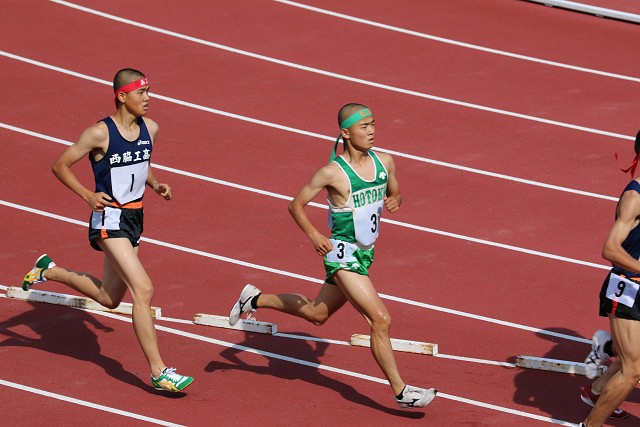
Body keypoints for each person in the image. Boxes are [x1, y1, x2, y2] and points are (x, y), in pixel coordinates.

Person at [228, 103, 437, 409]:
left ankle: (253, 299)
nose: (371, 131)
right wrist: (315, 235)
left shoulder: (385, 162)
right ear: (345, 133)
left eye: (373, 124)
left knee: (316, 314)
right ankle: (402, 391)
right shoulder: (332, 173)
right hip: (342, 254)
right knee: (380, 320)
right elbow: (295, 205)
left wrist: (395, 200)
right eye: (363, 126)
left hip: (366, 255)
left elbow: (396, 192)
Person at [22, 68, 193, 392]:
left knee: (109, 297)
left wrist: (156, 184)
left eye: (149, 92)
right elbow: (60, 164)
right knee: (143, 289)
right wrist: (87, 194)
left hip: (135, 218)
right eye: (141, 93)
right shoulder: (99, 133)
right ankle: (159, 371)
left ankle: (50, 270)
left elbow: (142, 162)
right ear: (122, 96)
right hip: (109, 220)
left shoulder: (150, 128)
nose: (148, 99)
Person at [580, 132, 640, 426]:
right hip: (627, 289)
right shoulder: (634, 198)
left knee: (633, 358)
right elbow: (610, 248)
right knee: (633, 370)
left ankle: (598, 384)